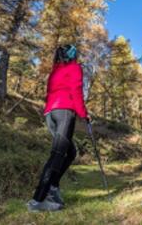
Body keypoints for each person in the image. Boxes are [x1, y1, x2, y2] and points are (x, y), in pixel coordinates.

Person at [27, 44, 89, 212]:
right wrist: (83, 114)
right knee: (57, 155)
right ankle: (38, 200)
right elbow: (76, 90)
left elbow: (49, 92)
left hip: (50, 114)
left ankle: (53, 186)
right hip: (64, 112)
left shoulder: (55, 71)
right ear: (73, 55)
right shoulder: (74, 67)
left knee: (70, 152)